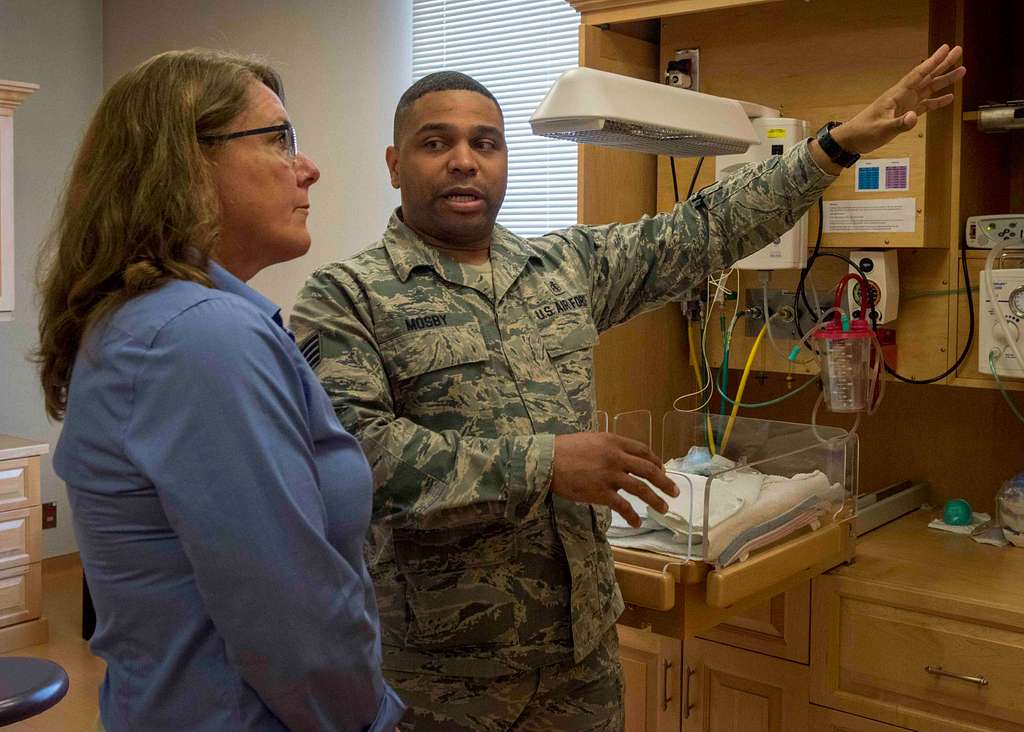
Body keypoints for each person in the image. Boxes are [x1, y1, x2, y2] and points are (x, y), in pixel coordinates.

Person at [291, 46, 964, 730]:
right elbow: (357, 459)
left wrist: (833, 148)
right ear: (395, 163)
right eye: (436, 142)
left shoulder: (563, 269)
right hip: (444, 679)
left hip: (581, 659)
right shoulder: (346, 297)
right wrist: (547, 463)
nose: (464, 159)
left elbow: (704, 228)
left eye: (484, 143)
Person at [36, 49, 404, 731]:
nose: (308, 166)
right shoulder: (202, 337)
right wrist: (367, 718)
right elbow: (291, 617)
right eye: (278, 139)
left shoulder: (158, 319)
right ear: (184, 164)